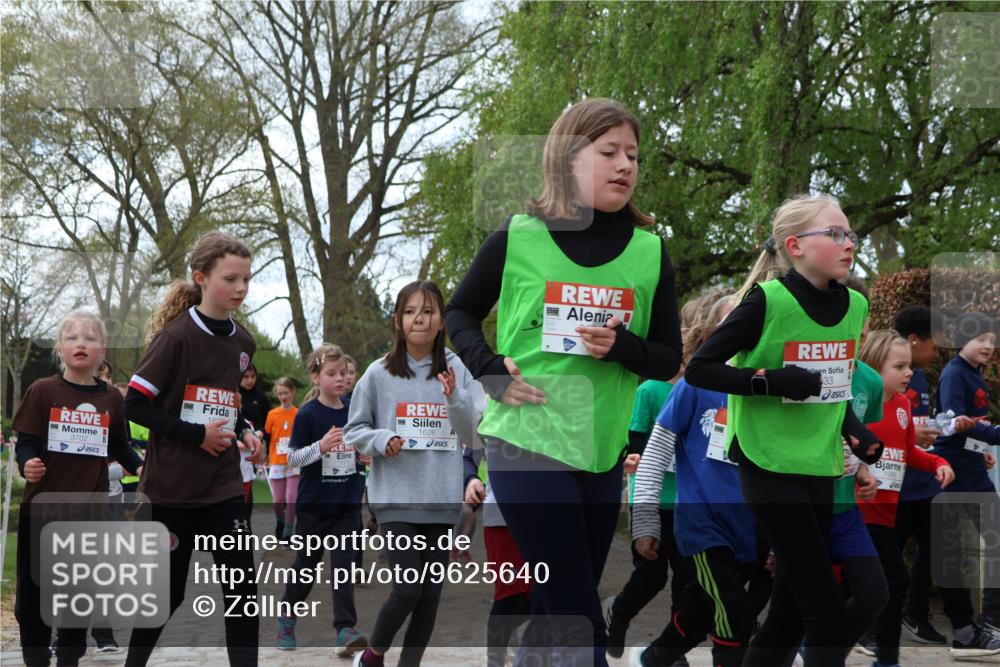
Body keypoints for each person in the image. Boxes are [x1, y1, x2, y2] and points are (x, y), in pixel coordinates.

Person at [446, 98, 682, 667]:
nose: (625, 165)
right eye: (609, 152)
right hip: (524, 439)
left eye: (633, 155)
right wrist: (489, 368)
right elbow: (459, 313)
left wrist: (623, 347)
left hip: (600, 451)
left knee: (556, 607)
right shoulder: (517, 236)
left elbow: (668, 358)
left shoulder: (651, 251)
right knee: (579, 614)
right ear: (567, 158)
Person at [686, 194, 883, 666]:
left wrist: (855, 428)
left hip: (819, 463)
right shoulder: (766, 301)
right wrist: (770, 381)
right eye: (834, 234)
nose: (849, 243)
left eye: (850, 234)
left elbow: (833, 386)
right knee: (827, 616)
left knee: (789, 616)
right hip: (767, 463)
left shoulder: (856, 306)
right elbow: (699, 369)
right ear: (795, 246)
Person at [123, 231, 262, 667]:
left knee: (243, 592)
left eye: (246, 279)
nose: (241, 288)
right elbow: (134, 405)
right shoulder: (175, 338)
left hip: (223, 488)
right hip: (172, 490)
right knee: (168, 595)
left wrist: (245, 430)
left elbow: (226, 404)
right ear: (201, 278)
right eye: (231, 279)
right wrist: (196, 435)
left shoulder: (244, 343)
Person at [631, 293, 771, 667]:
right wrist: (645, 519)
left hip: (754, 526)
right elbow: (654, 454)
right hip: (704, 524)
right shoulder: (692, 386)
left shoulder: (769, 389)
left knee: (698, 612)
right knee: (734, 614)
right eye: (734, 323)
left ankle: (652, 659)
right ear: (710, 335)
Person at [345, 280, 480, 667]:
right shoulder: (377, 373)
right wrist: (381, 438)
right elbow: (355, 430)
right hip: (395, 499)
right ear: (397, 321)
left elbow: (473, 433)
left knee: (429, 596)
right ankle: (373, 655)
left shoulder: (457, 368)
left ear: (442, 322)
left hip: (442, 499)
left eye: (429, 311)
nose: (419, 319)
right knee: (408, 589)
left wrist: (454, 397)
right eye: (409, 312)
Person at [13, 311, 143, 666]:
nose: (80, 343)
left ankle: (69, 660)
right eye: (72, 338)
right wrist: (27, 463)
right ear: (60, 348)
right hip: (43, 510)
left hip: (90, 513)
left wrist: (139, 467)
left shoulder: (111, 399)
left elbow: (119, 445)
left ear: (103, 350)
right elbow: (26, 441)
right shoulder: (42, 391)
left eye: (89, 338)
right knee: (33, 599)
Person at [855, 329, 956, 667]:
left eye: (909, 366)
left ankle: (828, 645)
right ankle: (882, 656)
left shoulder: (902, 405)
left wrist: (938, 463)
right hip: (858, 512)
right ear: (873, 367)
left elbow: (909, 450)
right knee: (891, 582)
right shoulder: (857, 404)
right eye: (899, 367)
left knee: (876, 586)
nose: (909, 373)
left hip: (887, 514)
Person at [275, 344, 368, 655]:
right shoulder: (307, 414)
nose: (340, 378)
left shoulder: (354, 409)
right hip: (314, 507)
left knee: (344, 567)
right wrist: (321, 447)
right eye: (331, 373)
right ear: (316, 377)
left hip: (347, 505)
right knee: (307, 566)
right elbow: (292, 459)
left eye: (343, 373)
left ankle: (345, 629)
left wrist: (365, 455)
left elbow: (360, 445)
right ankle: (287, 618)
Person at [929, 312, 1000, 656]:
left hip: (974, 472)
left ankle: (988, 624)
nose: (988, 346)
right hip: (953, 475)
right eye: (980, 339)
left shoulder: (974, 373)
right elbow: (954, 423)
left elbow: (969, 427)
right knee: (949, 554)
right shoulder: (954, 374)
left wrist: (981, 448)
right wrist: (993, 435)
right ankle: (968, 629)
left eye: (992, 340)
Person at [891, 305, 950, 644]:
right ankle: (870, 624)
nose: (937, 353)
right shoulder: (884, 375)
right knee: (885, 558)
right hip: (895, 487)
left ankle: (915, 615)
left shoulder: (919, 376)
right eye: (933, 345)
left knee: (935, 549)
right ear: (914, 340)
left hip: (923, 484)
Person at [264, 377, 299, 540]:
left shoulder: (299, 413)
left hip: (294, 461)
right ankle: (281, 521)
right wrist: (265, 455)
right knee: (277, 501)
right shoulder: (272, 414)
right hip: (276, 460)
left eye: (286, 393)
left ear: (292, 392)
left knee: (291, 498)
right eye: (280, 394)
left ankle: (288, 532)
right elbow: (268, 436)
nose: (283, 397)